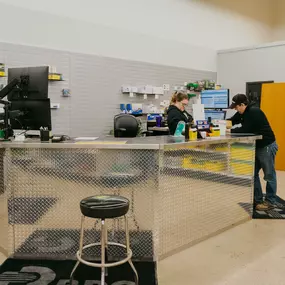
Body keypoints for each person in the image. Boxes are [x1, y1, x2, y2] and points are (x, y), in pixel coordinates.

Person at [229, 94, 278, 211]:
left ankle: (270, 201)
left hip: (266, 145)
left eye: (236, 107)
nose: (235, 109)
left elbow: (246, 129)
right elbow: (231, 121)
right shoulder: (243, 112)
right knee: (253, 173)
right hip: (257, 146)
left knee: (269, 175)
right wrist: (218, 124)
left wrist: (230, 130)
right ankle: (258, 199)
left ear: (242, 105)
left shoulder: (254, 112)